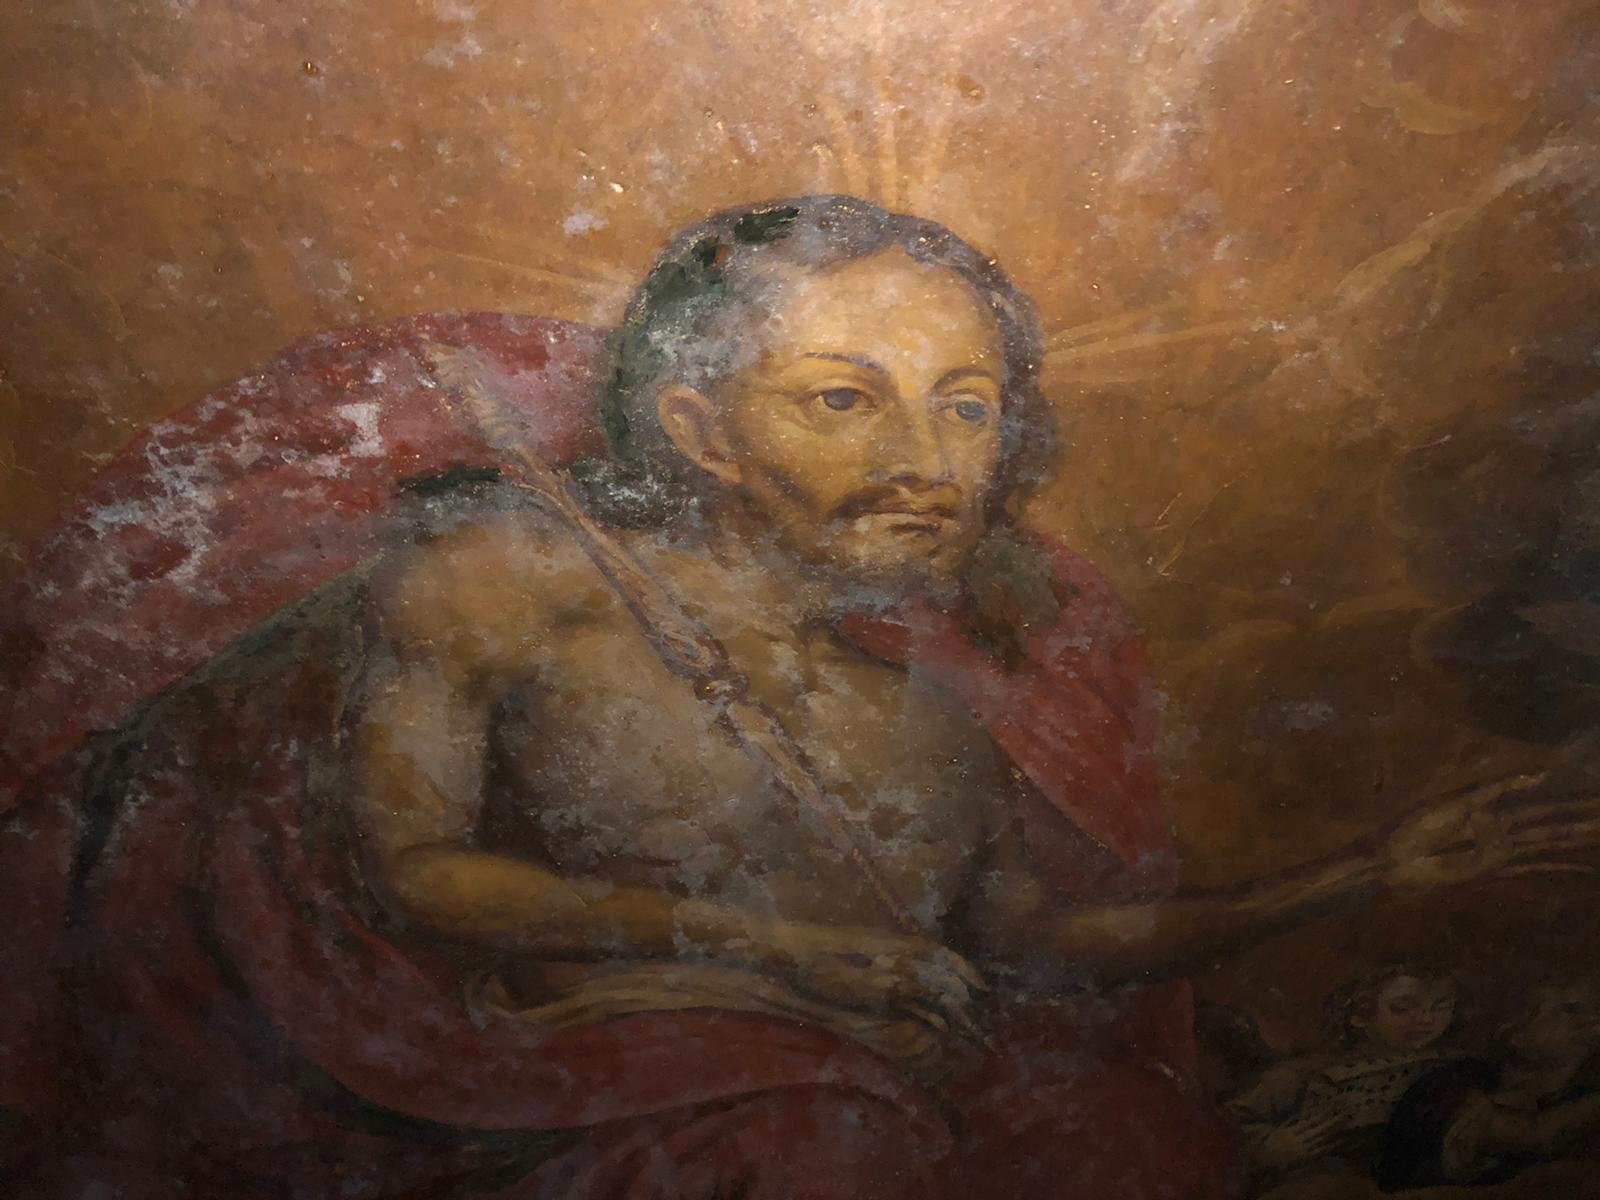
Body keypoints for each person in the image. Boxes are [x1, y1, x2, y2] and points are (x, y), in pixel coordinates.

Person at [4, 194, 1596, 1199]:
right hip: (554, 1088)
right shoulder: (516, 579)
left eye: (965, 406)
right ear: (700, 430)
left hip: (866, 1089)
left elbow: (1032, 941)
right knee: (822, 1145)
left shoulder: (939, 705)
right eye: (845, 399)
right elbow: (414, 869)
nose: (927, 458)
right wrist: (770, 954)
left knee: (1133, 1150)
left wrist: (1359, 876)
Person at [1227, 964, 1461, 1190]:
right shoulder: (1299, 1074)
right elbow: (1223, 1127)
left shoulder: (1452, 1067)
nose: (1426, 1019)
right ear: (1360, 1015)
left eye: (1441, 1007)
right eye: (1402, 1008)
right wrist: (1269, 1147)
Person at [1378, 978, 1600, 1189]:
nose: (1592, 1022)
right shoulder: (1453, 1084)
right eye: (1570, 1010)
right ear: (1515, 1028)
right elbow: (1535, 1135)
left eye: (1596, 1011)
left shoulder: (1582, 1088)